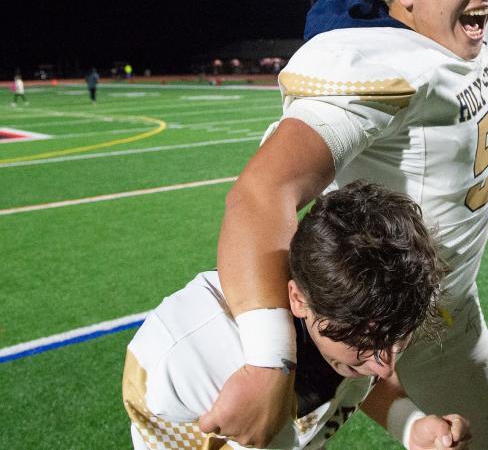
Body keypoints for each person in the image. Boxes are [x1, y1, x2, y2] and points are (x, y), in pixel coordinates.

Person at [203, 0, 488, 449]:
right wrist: (269, 363)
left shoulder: (448, 13)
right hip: (378, 318)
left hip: (450, 304)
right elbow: (262, 191)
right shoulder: (375, 64)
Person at [123, 181, 467, 450]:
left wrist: (409, 425)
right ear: (298, 300)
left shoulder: (377, 312)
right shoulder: (195, 358)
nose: (386, 365)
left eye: (397, 339)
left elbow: (363, 376)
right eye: (362, 345)